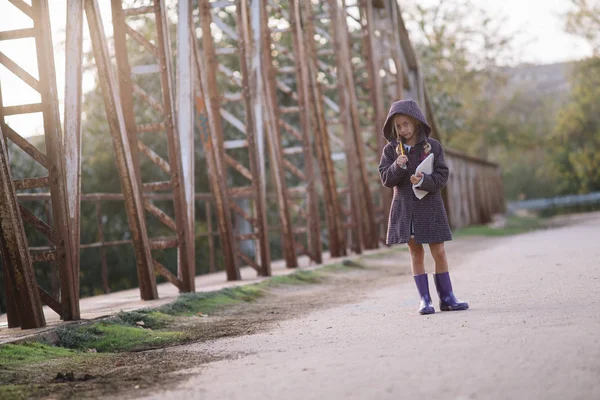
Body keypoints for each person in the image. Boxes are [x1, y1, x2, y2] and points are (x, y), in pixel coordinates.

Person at [378, 99, 468, 315]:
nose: (402, 129)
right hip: (406, 208)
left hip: (430, 206)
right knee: (415, 253)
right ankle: (424, 301)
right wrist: (397, 166)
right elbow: (386, 179)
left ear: (417, 122)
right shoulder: (391, 150)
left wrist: (422, 180)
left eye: (406, 124)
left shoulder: (433, 146)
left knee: (439, 251)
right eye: (398, 126)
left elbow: (442, 175)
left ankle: (447, 298)